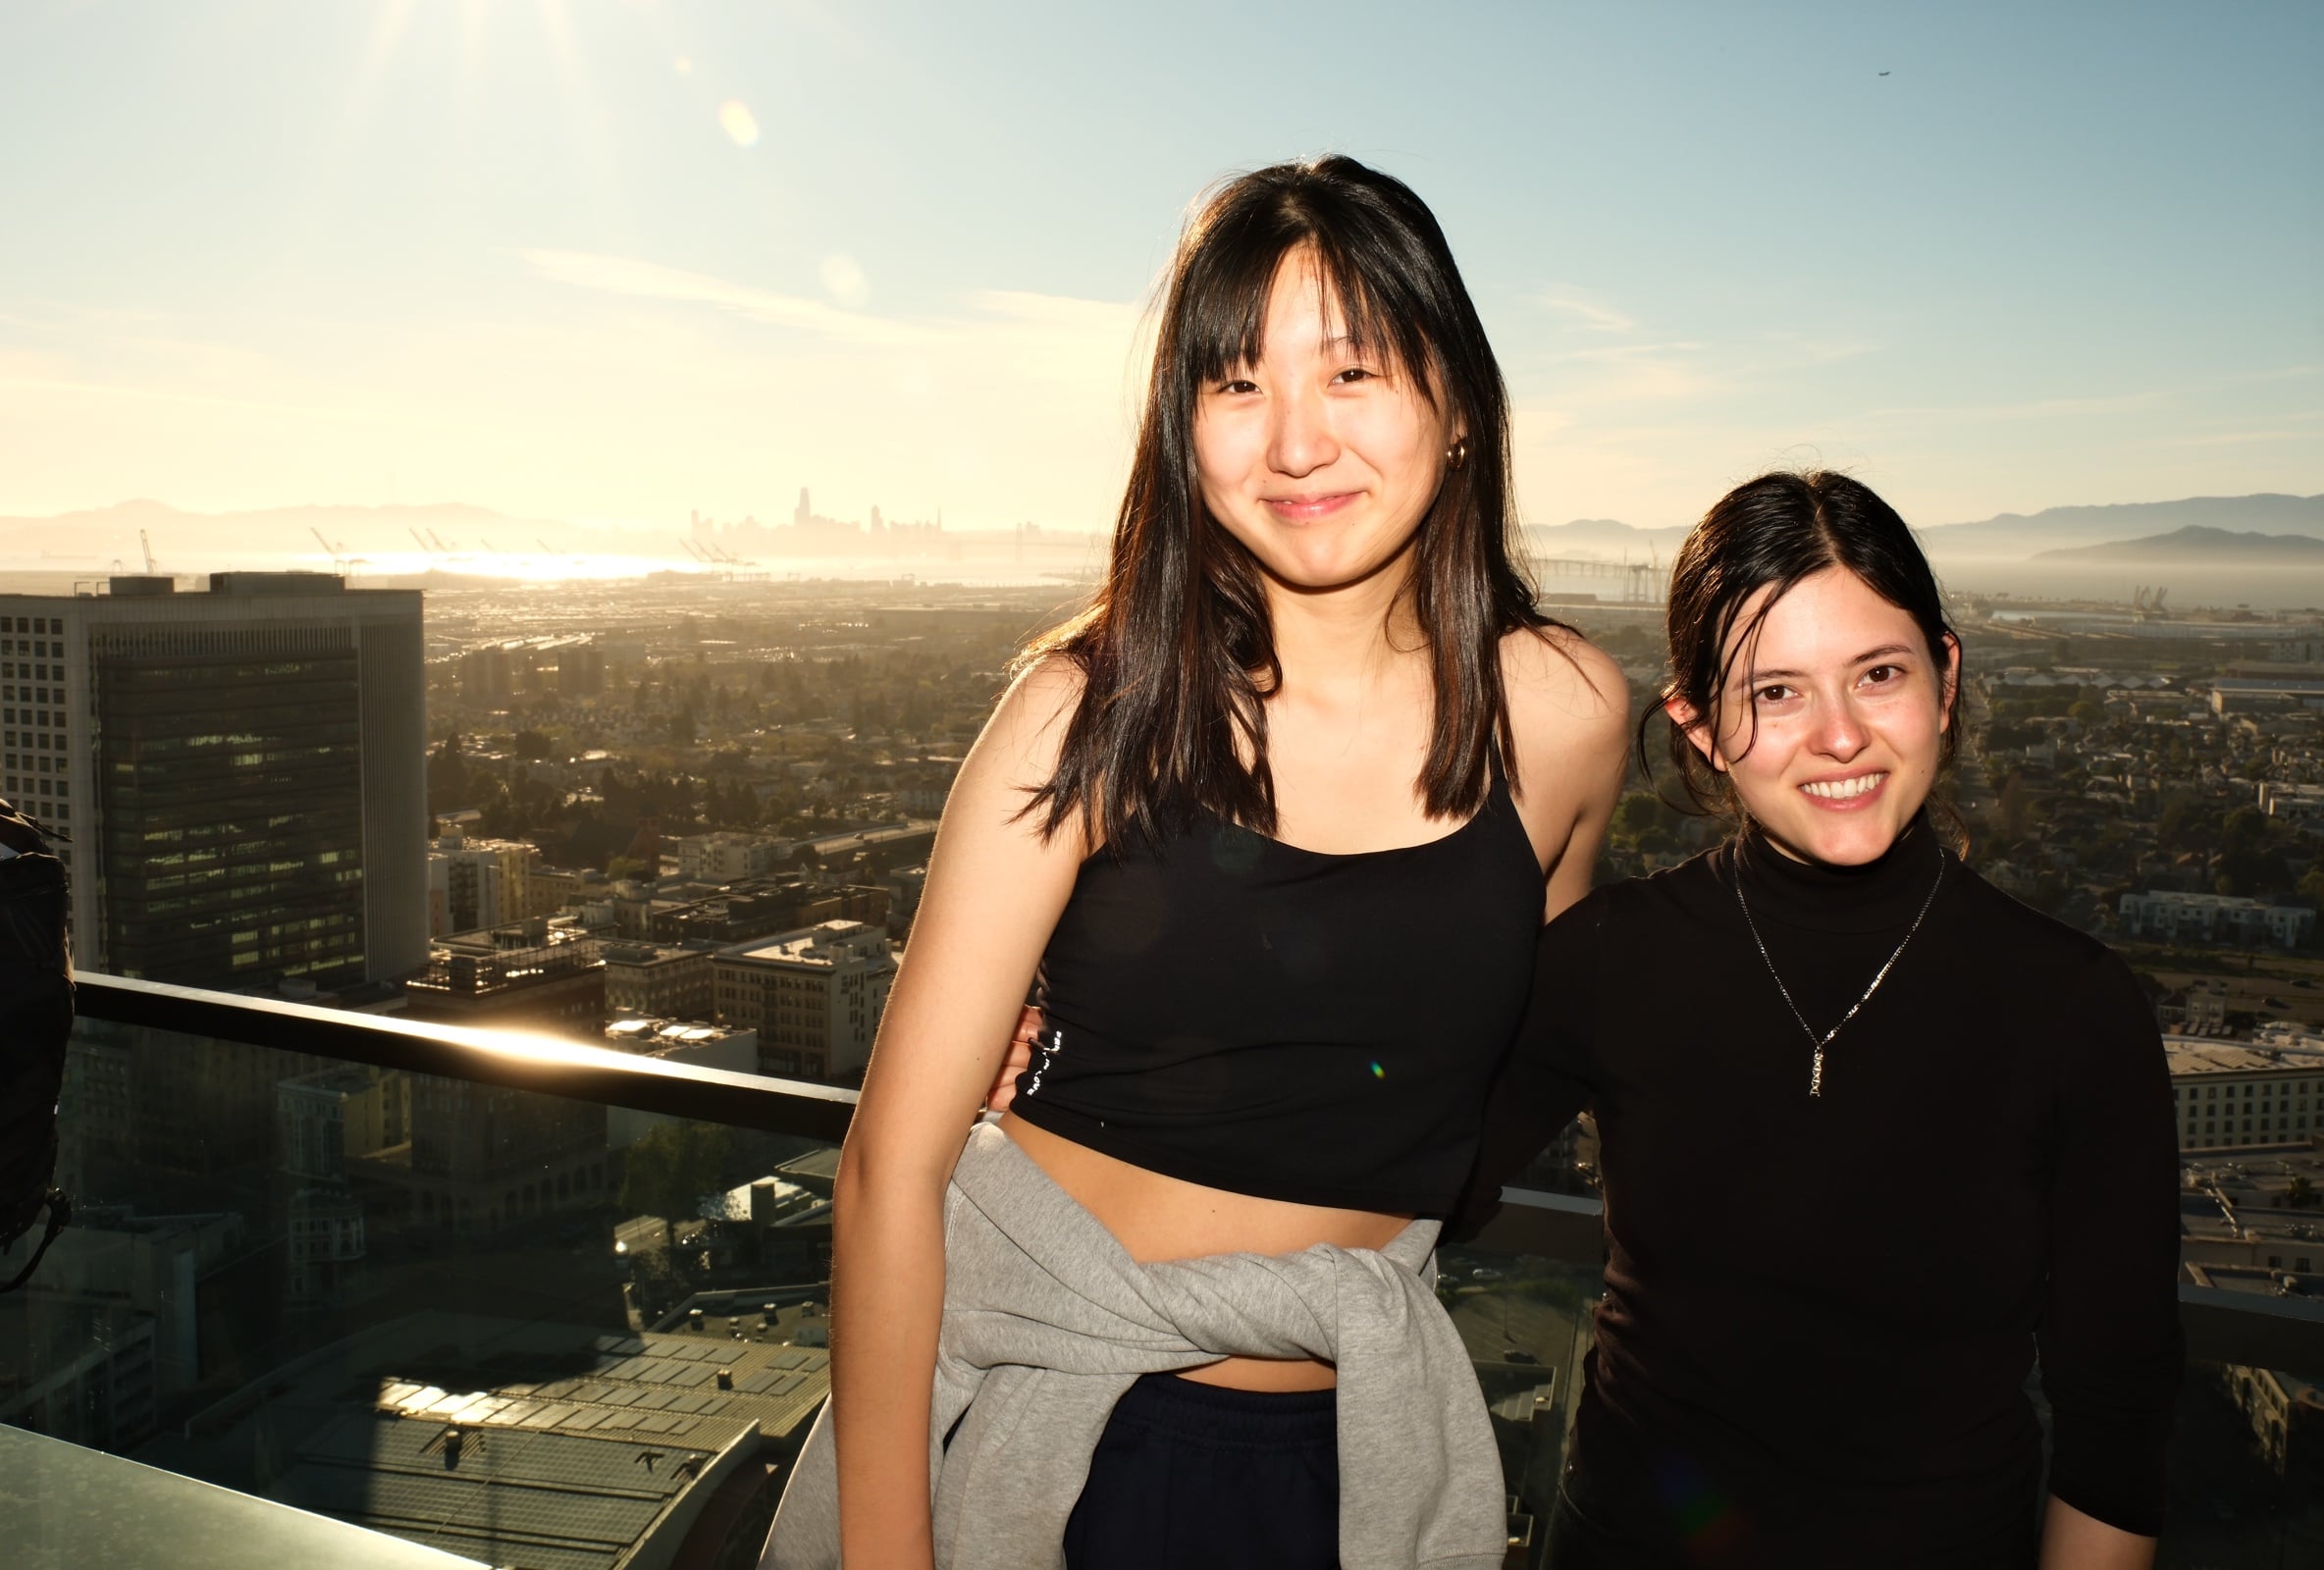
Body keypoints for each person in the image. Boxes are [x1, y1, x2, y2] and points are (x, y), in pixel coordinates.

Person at [760, 155, 1626, 1569]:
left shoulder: (1571, 720)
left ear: (1458, 404)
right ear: (1184, 428)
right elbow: (885, 1175)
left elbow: (1545, 1048)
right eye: (1236, 383)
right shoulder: (1085, 711)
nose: (1294, 443)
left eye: (1352, 374)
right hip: (1052, 1429)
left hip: (1350, 1459)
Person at [1462, 470, 2181, 1570]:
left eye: (1877, 674)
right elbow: (1404, 1178)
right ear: (1697, 725)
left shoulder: (2076, 1011)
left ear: (1944, 677)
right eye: (1776, 692)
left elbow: (2115, 1422)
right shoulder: (1612, 958)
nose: (1838, 736)